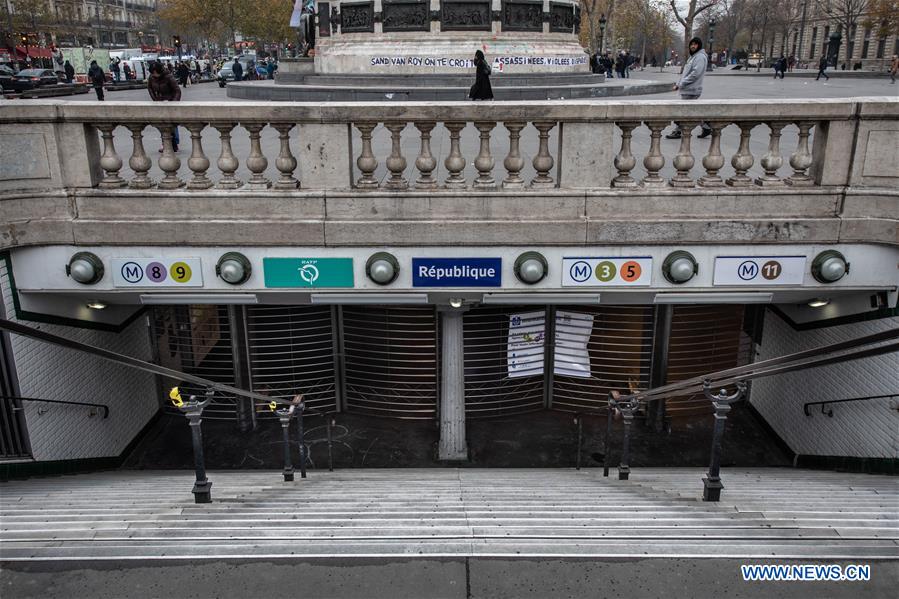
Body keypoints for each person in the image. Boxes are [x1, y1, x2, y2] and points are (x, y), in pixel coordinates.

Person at [666, 37, 711, 139]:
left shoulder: (700, 57)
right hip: (688, 88)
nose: (693, 46)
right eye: (691, 44)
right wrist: (679, 83)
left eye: (695, 44)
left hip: (692, 89)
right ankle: (705, 125)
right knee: (690, 111)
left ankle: (678, 131)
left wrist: (681, 84)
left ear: (699, 45)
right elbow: (686, 74)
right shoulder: (693, 57)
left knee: (683, 111)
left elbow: (695, 74)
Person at [147, 61, 182, 152]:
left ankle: (174, 143)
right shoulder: (151, 78)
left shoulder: (168, 77)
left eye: (156, 72)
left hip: (169, 102)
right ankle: (165, 143)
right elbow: (150, 88)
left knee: (172, 124)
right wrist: (154, 99)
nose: (155, 74)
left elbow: (177, 91)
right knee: (162, 124)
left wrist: (173, 103)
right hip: (159, 103)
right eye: (153, 73)